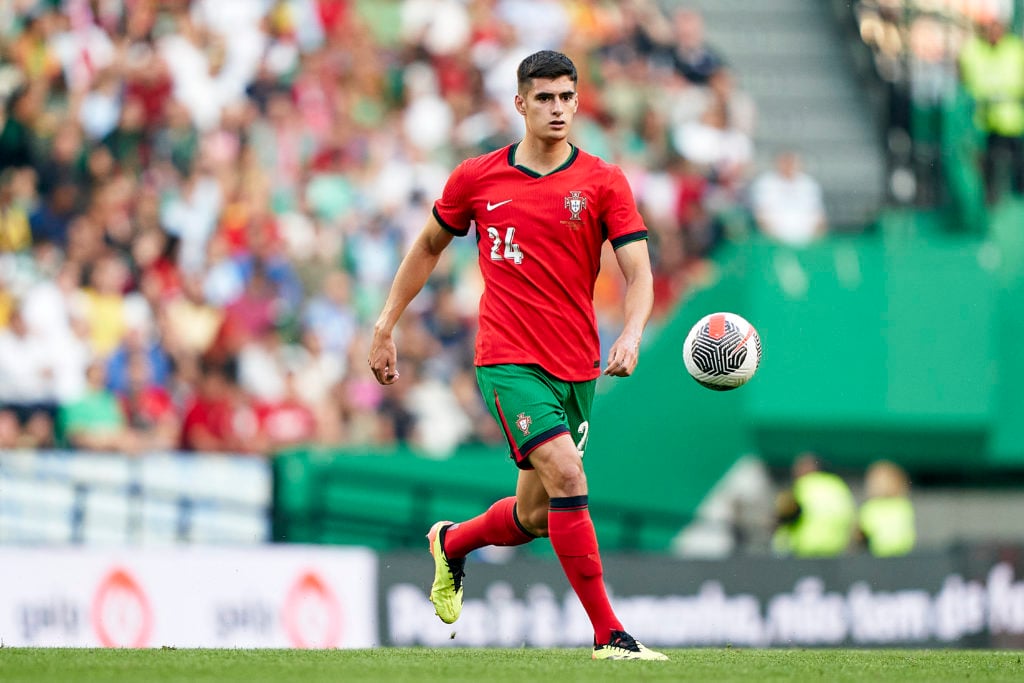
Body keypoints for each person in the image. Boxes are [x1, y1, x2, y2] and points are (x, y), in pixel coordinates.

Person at [368, 50, 666, 661]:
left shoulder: (604, 182)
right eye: (544, 98)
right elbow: (427, 246)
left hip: (578, 366)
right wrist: (385, 324)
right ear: (520, 104)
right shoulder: (478, 177)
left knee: (535, 514)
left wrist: (632, 333)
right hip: (507, 359)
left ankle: (452, 544)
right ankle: (611, 635)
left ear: (578, 101)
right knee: (568, 475)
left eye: (566, 97)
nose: (557, 109)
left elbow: (639, 272)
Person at [958, 18, 1024, 204]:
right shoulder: (973, 50)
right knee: (987, 166)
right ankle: (990, 201)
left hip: (1012, 121)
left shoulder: (1016, 49)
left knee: (1015, 164)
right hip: (983, 122)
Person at [772, 452, 856, 558]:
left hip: (804, 552)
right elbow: (851, 517)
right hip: (836, 552)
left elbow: (787, 512)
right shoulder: (837, 485)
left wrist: (779, 547)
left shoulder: (802, 487)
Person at [749, 150, 827, 247]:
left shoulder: (809, 184)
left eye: (792, 162)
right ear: (777, 164)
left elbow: (819, 216)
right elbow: (760, 216)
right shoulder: (765, 183)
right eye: (785, 162)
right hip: (776, 240)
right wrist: (774, 240)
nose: (788, 166)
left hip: (807, 239)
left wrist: (815, 240)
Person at [856, 460, 916, 557]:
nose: (879, 486)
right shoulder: (870, 507)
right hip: (877, 558)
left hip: (902, 557)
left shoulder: (902, 505)